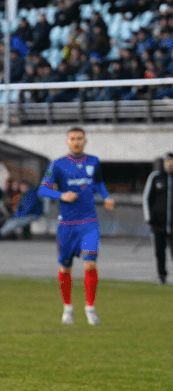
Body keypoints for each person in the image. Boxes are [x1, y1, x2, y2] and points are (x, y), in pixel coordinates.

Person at [37, 127, 115, 325]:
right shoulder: (57, 165)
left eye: (80, 138)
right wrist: (61, 195)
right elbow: (42, 189)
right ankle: (68, 308)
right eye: (73, 139)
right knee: (65, 268)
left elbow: (98, 183)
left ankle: (90, 308)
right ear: (67, 142)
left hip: (89, 222)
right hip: (67, 224)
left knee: (90, 263)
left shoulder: (93, 161)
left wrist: (106, 197)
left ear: (85, 141)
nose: (77, 142)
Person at [142, 153, 173, 284]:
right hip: (158, 224)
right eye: (168, 161)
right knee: (160, 252)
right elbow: (146, 198)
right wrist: (149, 217)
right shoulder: (155, 177)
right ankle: (162, 275)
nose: (170, 164)